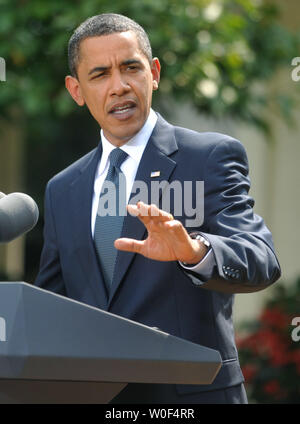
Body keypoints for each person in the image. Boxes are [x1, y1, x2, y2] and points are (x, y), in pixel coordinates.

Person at [35, 13, 281, 404]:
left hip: (190, 398)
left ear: (154, 73)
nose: (119, 86)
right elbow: (51, 308)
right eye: (100, 75)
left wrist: (194, 252)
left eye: (130, 68)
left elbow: (262, 260)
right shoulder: (63, 188)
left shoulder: (209, 156)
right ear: (76, 90)